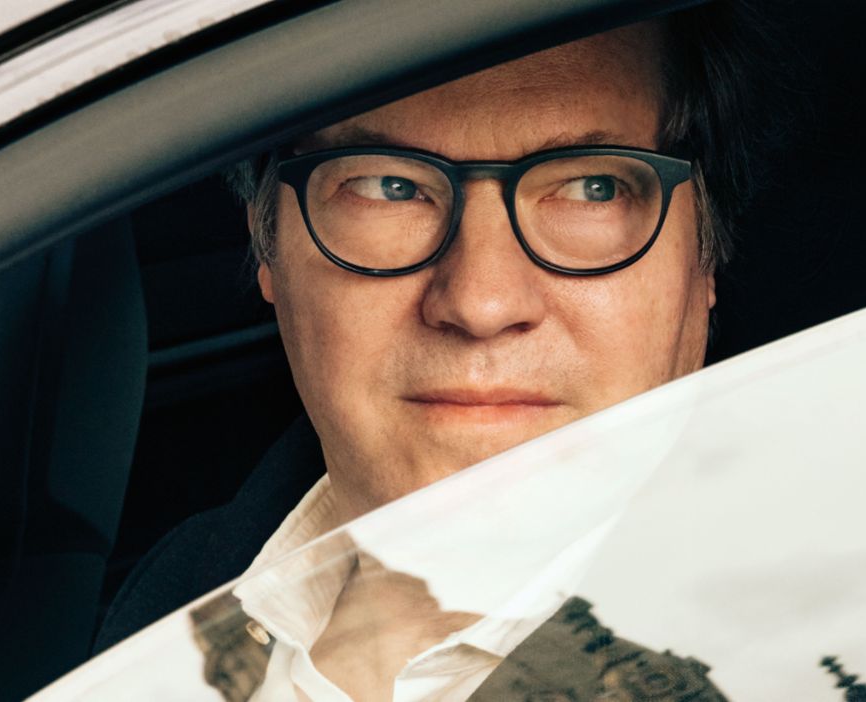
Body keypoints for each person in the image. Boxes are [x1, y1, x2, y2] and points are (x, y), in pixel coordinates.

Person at [97, 2, 780, 699]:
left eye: (589, 189)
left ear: (704, 259)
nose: (480, 302)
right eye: (388, 187)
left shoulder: (827, 642)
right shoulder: (177, 597)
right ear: (266, 242)